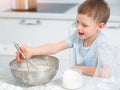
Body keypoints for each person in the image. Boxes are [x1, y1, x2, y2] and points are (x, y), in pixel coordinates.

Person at [16, 0, 110, 76]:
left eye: (84, 25)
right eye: (77, 22)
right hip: (80, 80)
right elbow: (55, 47)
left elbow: (106, 73)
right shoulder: (77, 37)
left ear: (100, 26)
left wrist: (80, 69)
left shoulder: (102, 44)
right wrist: (32, 51)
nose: (78, 27)